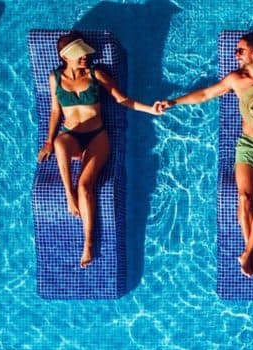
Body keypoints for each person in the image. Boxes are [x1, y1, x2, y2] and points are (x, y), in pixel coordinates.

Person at [158, 32, 253, 277]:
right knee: (244, 197)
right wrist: (174, 102)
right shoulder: (236, 79)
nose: (236, 55)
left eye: (240, 50)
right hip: (247, 145)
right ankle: (249, 252)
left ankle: (248, 252)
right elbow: (205, 94)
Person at [37, 32, 162, 268]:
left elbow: (122, 99)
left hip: (96, 137)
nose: (86, 57)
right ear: (66, 57)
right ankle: (68, 195)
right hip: (71, 136)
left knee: (85, 187)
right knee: (60, 143)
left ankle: (88, 242)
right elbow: (55, 111)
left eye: (86, 53)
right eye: (80, 54)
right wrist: (48, 141)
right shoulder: (55, 78)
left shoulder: (96, 74)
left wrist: (150, 109)